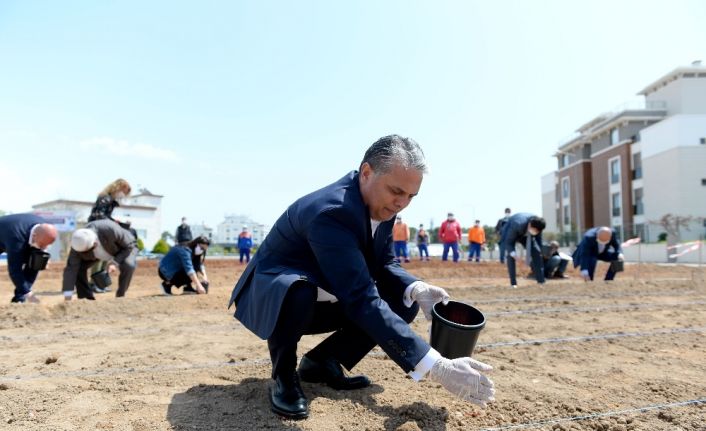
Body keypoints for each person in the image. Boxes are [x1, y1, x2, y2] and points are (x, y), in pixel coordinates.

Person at [228, 135, 494, 419]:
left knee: (403, 301)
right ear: (366, 173)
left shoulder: (383, 203)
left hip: (326, 288)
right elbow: (360, 297)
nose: (402, 203)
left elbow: (384, 262)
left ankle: (322, 361)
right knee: (297, 291)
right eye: (397, 191)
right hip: (275, 298)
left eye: (410, 196)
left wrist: (415, 287)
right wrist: (435, 366)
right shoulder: (331, 212)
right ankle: (283, 376)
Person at [62, 219, 138, 300]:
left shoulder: (109, 229)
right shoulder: (77, 244)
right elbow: (70, 269)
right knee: (78, 269)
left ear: (94, 243)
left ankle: (120, 296)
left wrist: (114, 262)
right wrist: (68, 295)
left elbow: (129, 246)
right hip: (98, 254)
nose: (85, 253)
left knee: (128, 266)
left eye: (87, 250)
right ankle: (86, 299)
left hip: (122, 248)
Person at [87, 178, 133, 293]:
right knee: (98, 257)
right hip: (96, 228)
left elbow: (105, 216)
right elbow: (99, 215)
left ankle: (100, 283)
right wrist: (114, 223)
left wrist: (117, 223)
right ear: (118, 187)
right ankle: (93, 284)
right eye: (124, 191)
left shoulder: (111, 201)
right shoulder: (104, 198)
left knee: (105, 256)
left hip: (103, 229)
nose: (123, 195)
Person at [0, 214, 58, 303]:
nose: (44, 248)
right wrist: (28, 294)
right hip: (8, 233)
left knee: (38, 260)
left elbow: (42, 248)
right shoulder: (17, 240)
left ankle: (19, 300)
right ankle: (23, 293)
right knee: (18, 266)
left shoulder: (47, 228)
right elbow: (15, 270)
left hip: (20, 234)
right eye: (42, 245)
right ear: (34, 236)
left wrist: (44, 258)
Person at [501, 213, 546, 288]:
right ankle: (513, 283)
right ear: (530, 225)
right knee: (511, 256)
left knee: (536, 253)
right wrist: (515, 256)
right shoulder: (517, 224)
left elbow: (539, 241)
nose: (536, 232)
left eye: (537, 231)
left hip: (526, 235)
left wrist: (541, 251)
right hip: (510, 231)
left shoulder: (538, 225)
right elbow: (509, 243)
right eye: (535, 230)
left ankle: (541, 281)